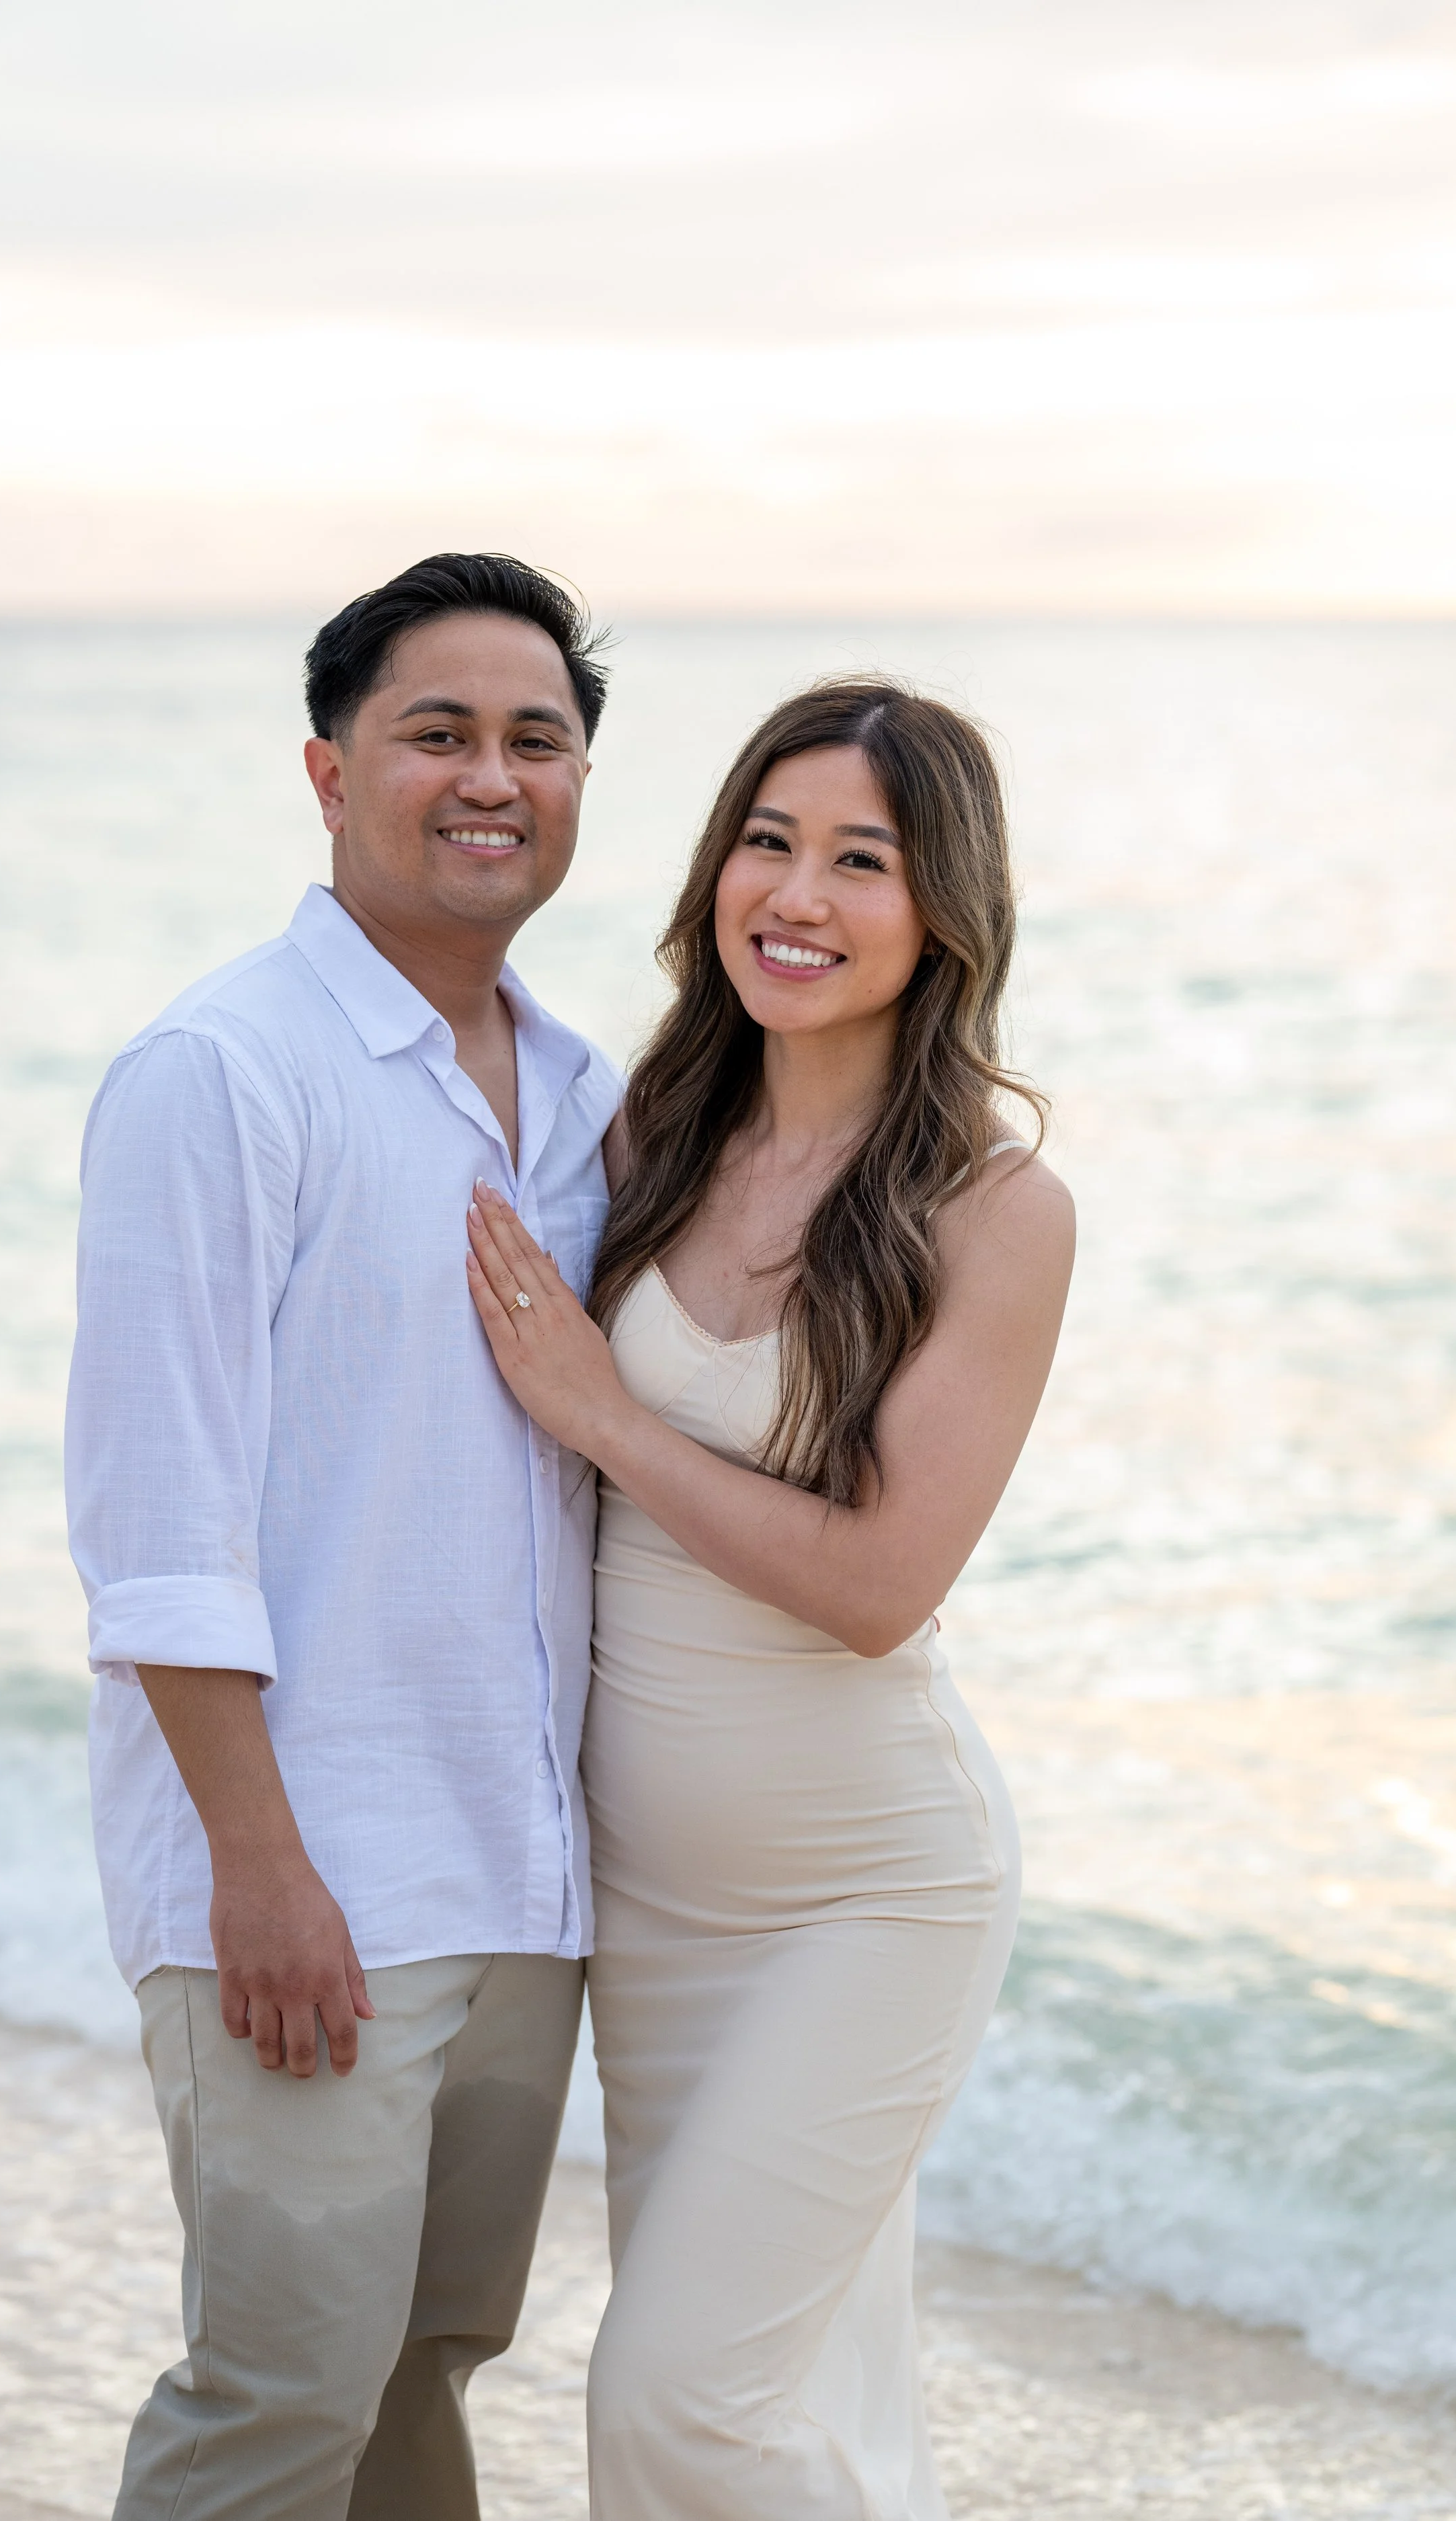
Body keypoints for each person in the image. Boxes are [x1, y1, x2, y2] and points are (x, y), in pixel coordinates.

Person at [465, 677, 1074, 2518]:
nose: (794, 894)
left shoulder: (992, 1204)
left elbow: (884, 1582)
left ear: (939, 913)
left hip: (868, 1891)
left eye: (857, 860)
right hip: (654, 1904)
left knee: (673, 2404)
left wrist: (601, 1413)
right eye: (766, 839)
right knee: (784, 2418)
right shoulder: (649, 1131)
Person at [65, 553, 622, 2521]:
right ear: (325, 771)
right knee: (276, 2399)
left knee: (417, 2379)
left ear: (578, 782)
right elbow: (156, 1523)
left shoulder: (586, 1102)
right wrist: (261, 1868)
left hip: (517, 1875)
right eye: (436, 734)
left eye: (534, 739)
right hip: (300, 1885)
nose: (491, 777)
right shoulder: (219, 1073)